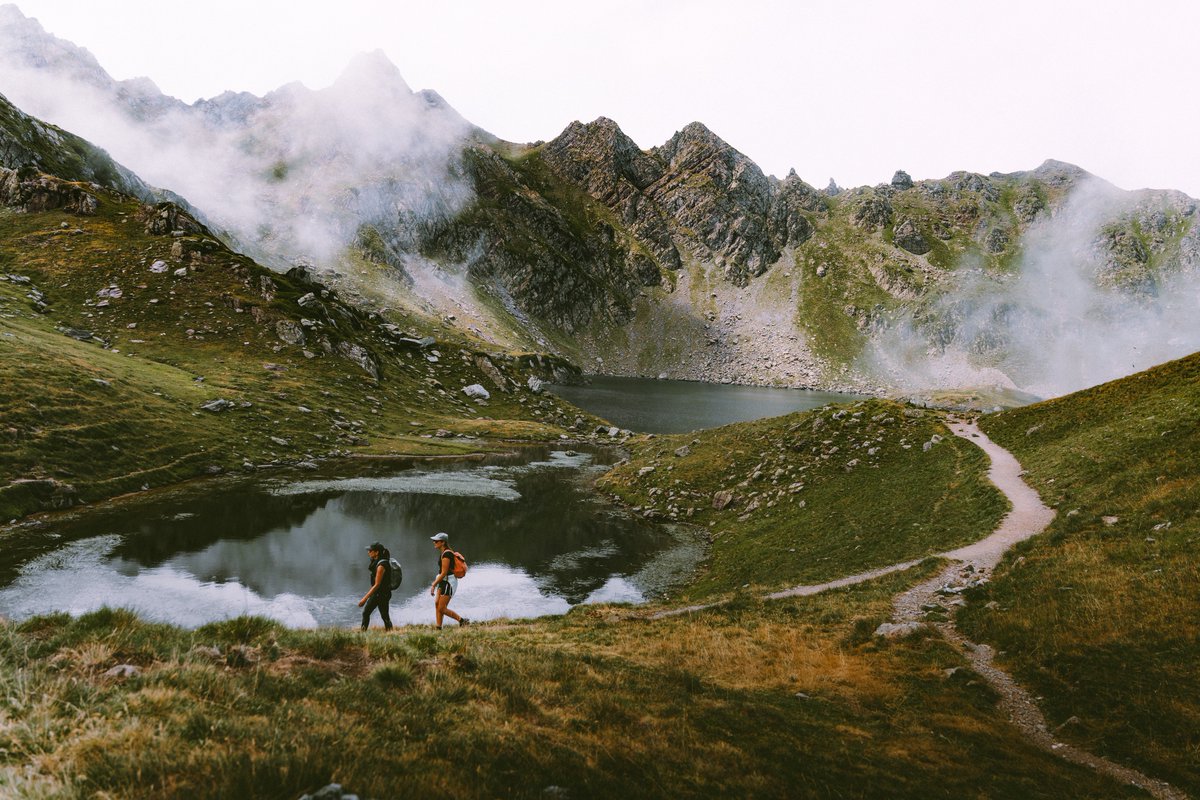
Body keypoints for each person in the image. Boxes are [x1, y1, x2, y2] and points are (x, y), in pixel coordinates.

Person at [429, 532, 468, 629]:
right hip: (443, 581)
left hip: (448, 582)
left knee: (442, 608)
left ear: (443, 542)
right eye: (434, 540)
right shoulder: (444, 552)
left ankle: (462, 621)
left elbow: (444, 573)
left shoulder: (446, 554)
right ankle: (438, 627)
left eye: (436, 541)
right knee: (437, 603)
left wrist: (433, 585)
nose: (434, 542)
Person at [358, 541, 393, 632]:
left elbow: (377, 584)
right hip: (380, 593)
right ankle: (389, 632)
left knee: (377, 614)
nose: (368, 552)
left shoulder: (381, 566)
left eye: (370, 550)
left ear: (377, 552)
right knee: (382, 616)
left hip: (381, 594)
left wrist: (364, 599)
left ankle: (363, 633)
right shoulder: (378, 562)